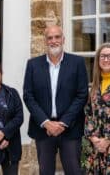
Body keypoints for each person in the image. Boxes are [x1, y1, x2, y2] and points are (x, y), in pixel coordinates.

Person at [23, 25, 88, 175]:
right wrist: (46, 123)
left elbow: (82, 94)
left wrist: (63, 123)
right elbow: (28, 95)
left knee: (74, 171)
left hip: (70, 128)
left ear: (63, 39)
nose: (54, 41)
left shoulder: (77, 62)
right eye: (50, 38)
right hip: (43, 130)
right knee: (45, 172)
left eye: (57, 37)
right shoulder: (33, 64)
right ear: (45, 41)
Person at [84, 43, 110, 174]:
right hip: (96, 149)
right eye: (103, 56)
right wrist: (95, 140)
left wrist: (107, 140)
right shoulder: (94, 87)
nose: (106, 60)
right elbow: (89, 115)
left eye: (109, 56)